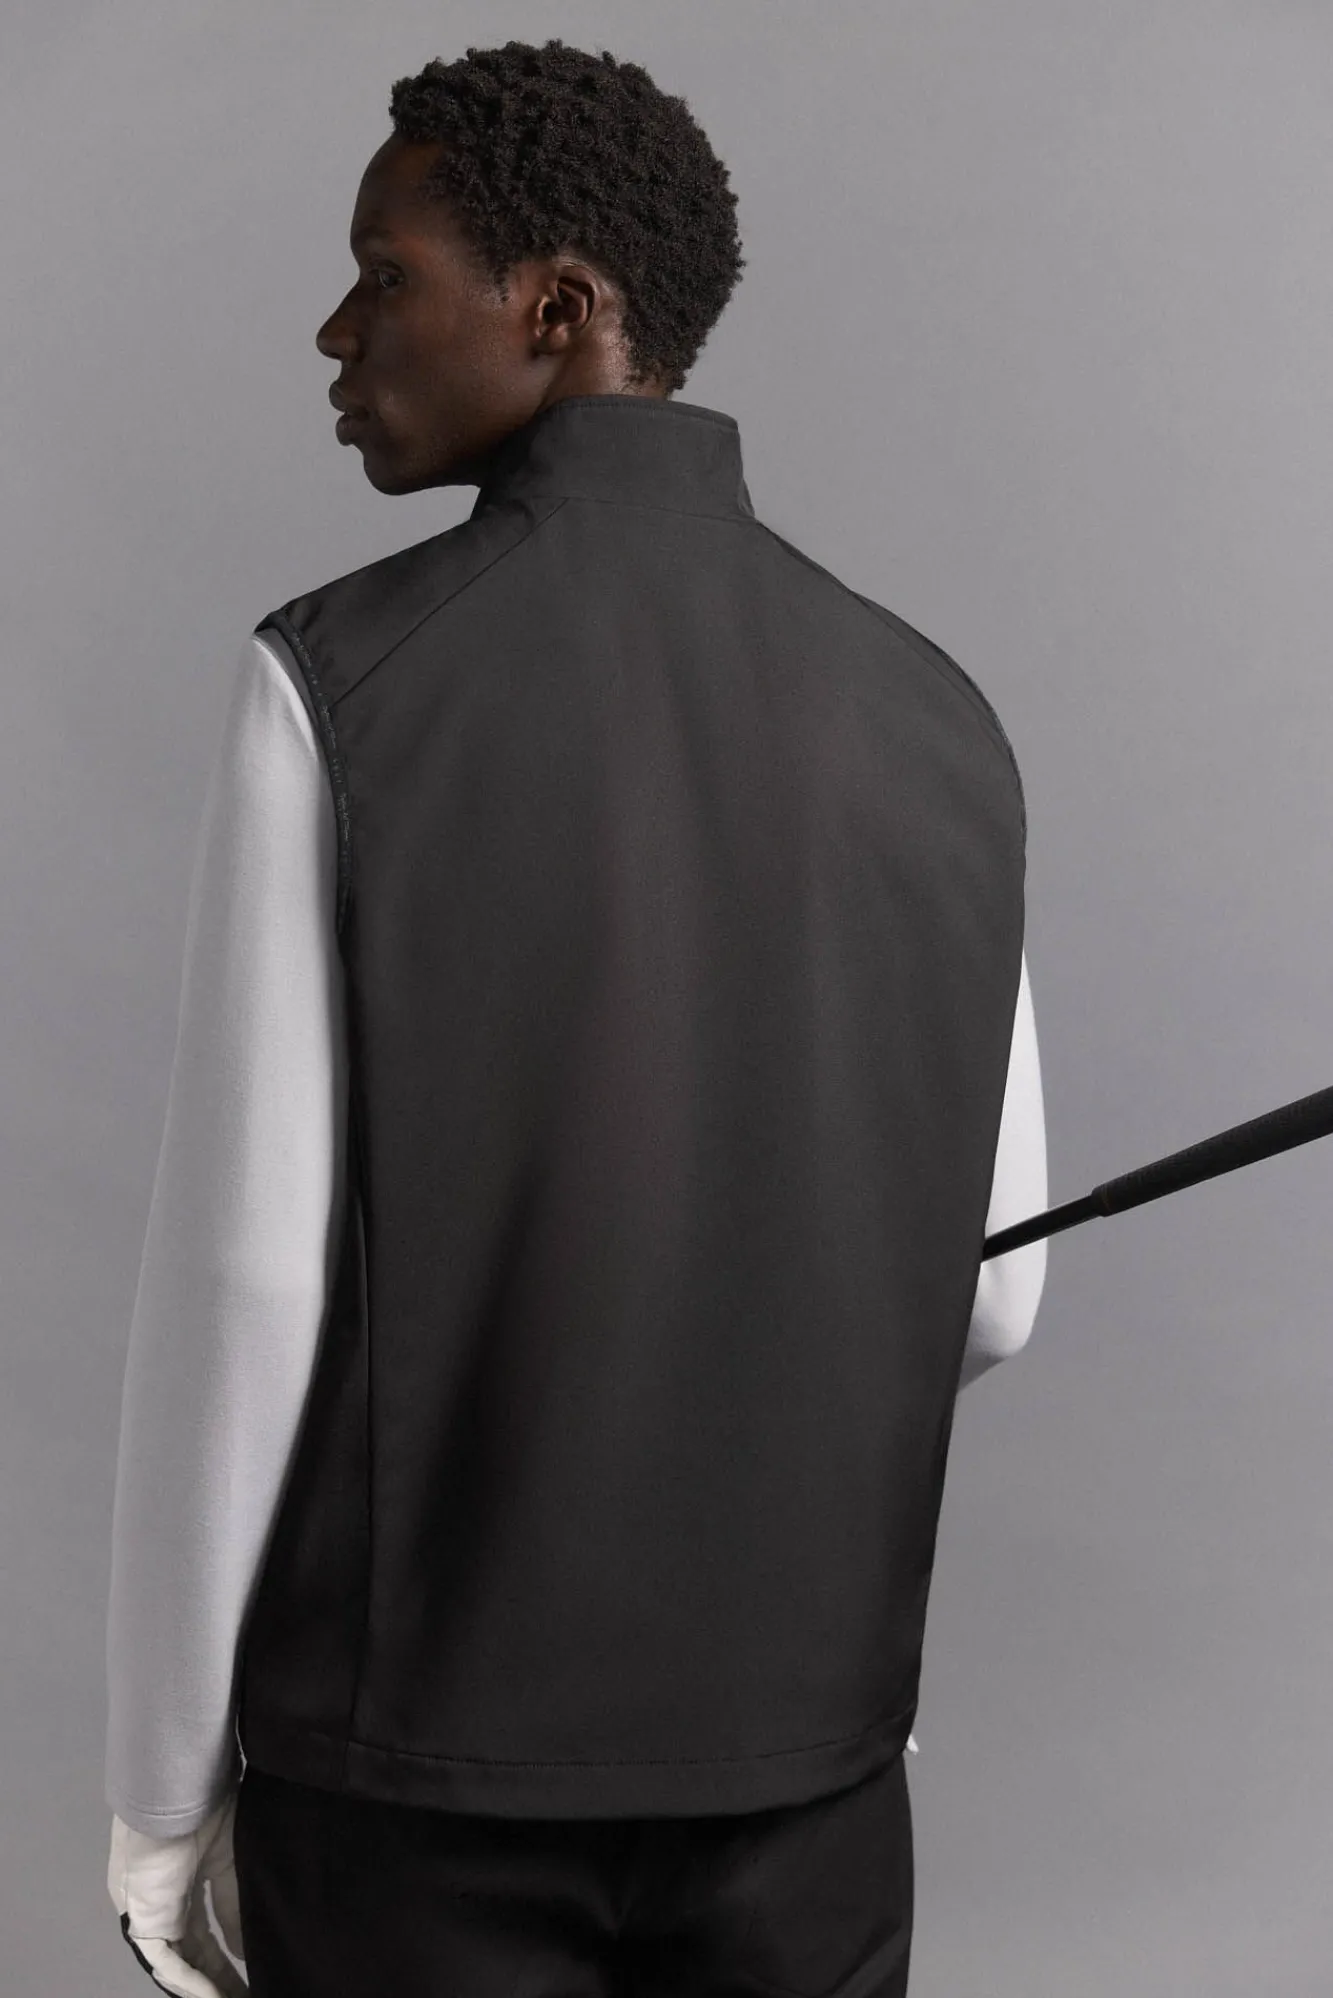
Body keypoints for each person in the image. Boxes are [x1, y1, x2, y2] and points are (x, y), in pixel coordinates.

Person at [105, 37, 1047, 1998]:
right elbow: (995, 1289)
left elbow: (248, 1288)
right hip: (809, 1784)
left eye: (385, 274)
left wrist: (162, 1790)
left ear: (557, 308)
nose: (337, 330)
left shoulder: (337, 686)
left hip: (420, 1792)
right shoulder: (938, 712)